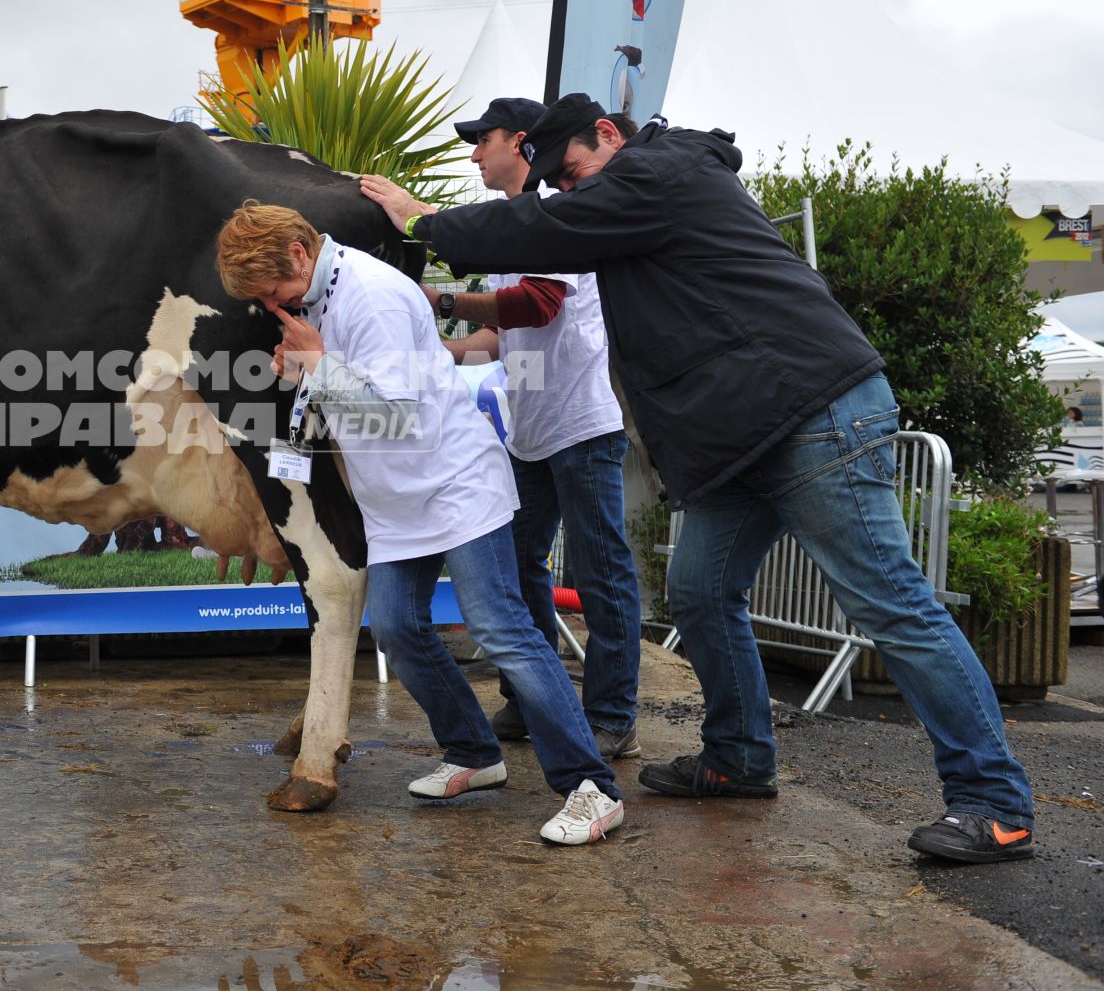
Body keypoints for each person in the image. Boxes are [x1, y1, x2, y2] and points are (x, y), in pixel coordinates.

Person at [360, 93, 1036, 865]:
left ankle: (995, 801)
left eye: (573, 171)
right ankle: (740, 757)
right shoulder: (633, 191)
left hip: (812, 415)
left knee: (892, 605)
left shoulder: (660, 172)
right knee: (700, 592)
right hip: (742, 436)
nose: (571, 190)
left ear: (608, 135)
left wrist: (423, 219)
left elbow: (541, 230)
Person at [215, 201, 625, 846]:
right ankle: (474, 753)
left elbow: (396, 414)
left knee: (503, 629)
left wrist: (319, 365)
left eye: (274, 290)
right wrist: (306, 371)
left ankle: (589, 786)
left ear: (300, 253)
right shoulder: (317, 297)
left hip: (455, 485)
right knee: (400, 629)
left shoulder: (371, 296)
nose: (271, 304)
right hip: (397, 501)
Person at [405, 96, 646, 764]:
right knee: (512, 567)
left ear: (519, 141)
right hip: (534, 431)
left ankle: (609, 716)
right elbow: (498, 333)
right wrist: (432, 349)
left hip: (580, 425)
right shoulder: (518, 229)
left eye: (482, 140)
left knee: (601, 574)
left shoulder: (552, 216)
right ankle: (538, 697)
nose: (475, 154)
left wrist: (444, 301)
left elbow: (536, 306)